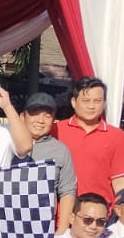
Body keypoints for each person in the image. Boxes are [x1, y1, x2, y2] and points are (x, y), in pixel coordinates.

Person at [52, 76, 124, 204]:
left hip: (100, 211)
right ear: (74, 102)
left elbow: (120, 180)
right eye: (86, 100)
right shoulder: (56, 130)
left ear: (104, 103)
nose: (91, 106)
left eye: (97, 101)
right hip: (62, 209)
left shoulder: (116, 136)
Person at [15, 92, 79, 230]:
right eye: (35, 114)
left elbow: (67, 191)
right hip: (7, 222)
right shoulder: (6, 142)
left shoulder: (60, 150)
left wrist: (62, 230)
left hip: (43, 226)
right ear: (22, 117)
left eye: (47, 116)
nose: (40, 120)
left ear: (54, 120)